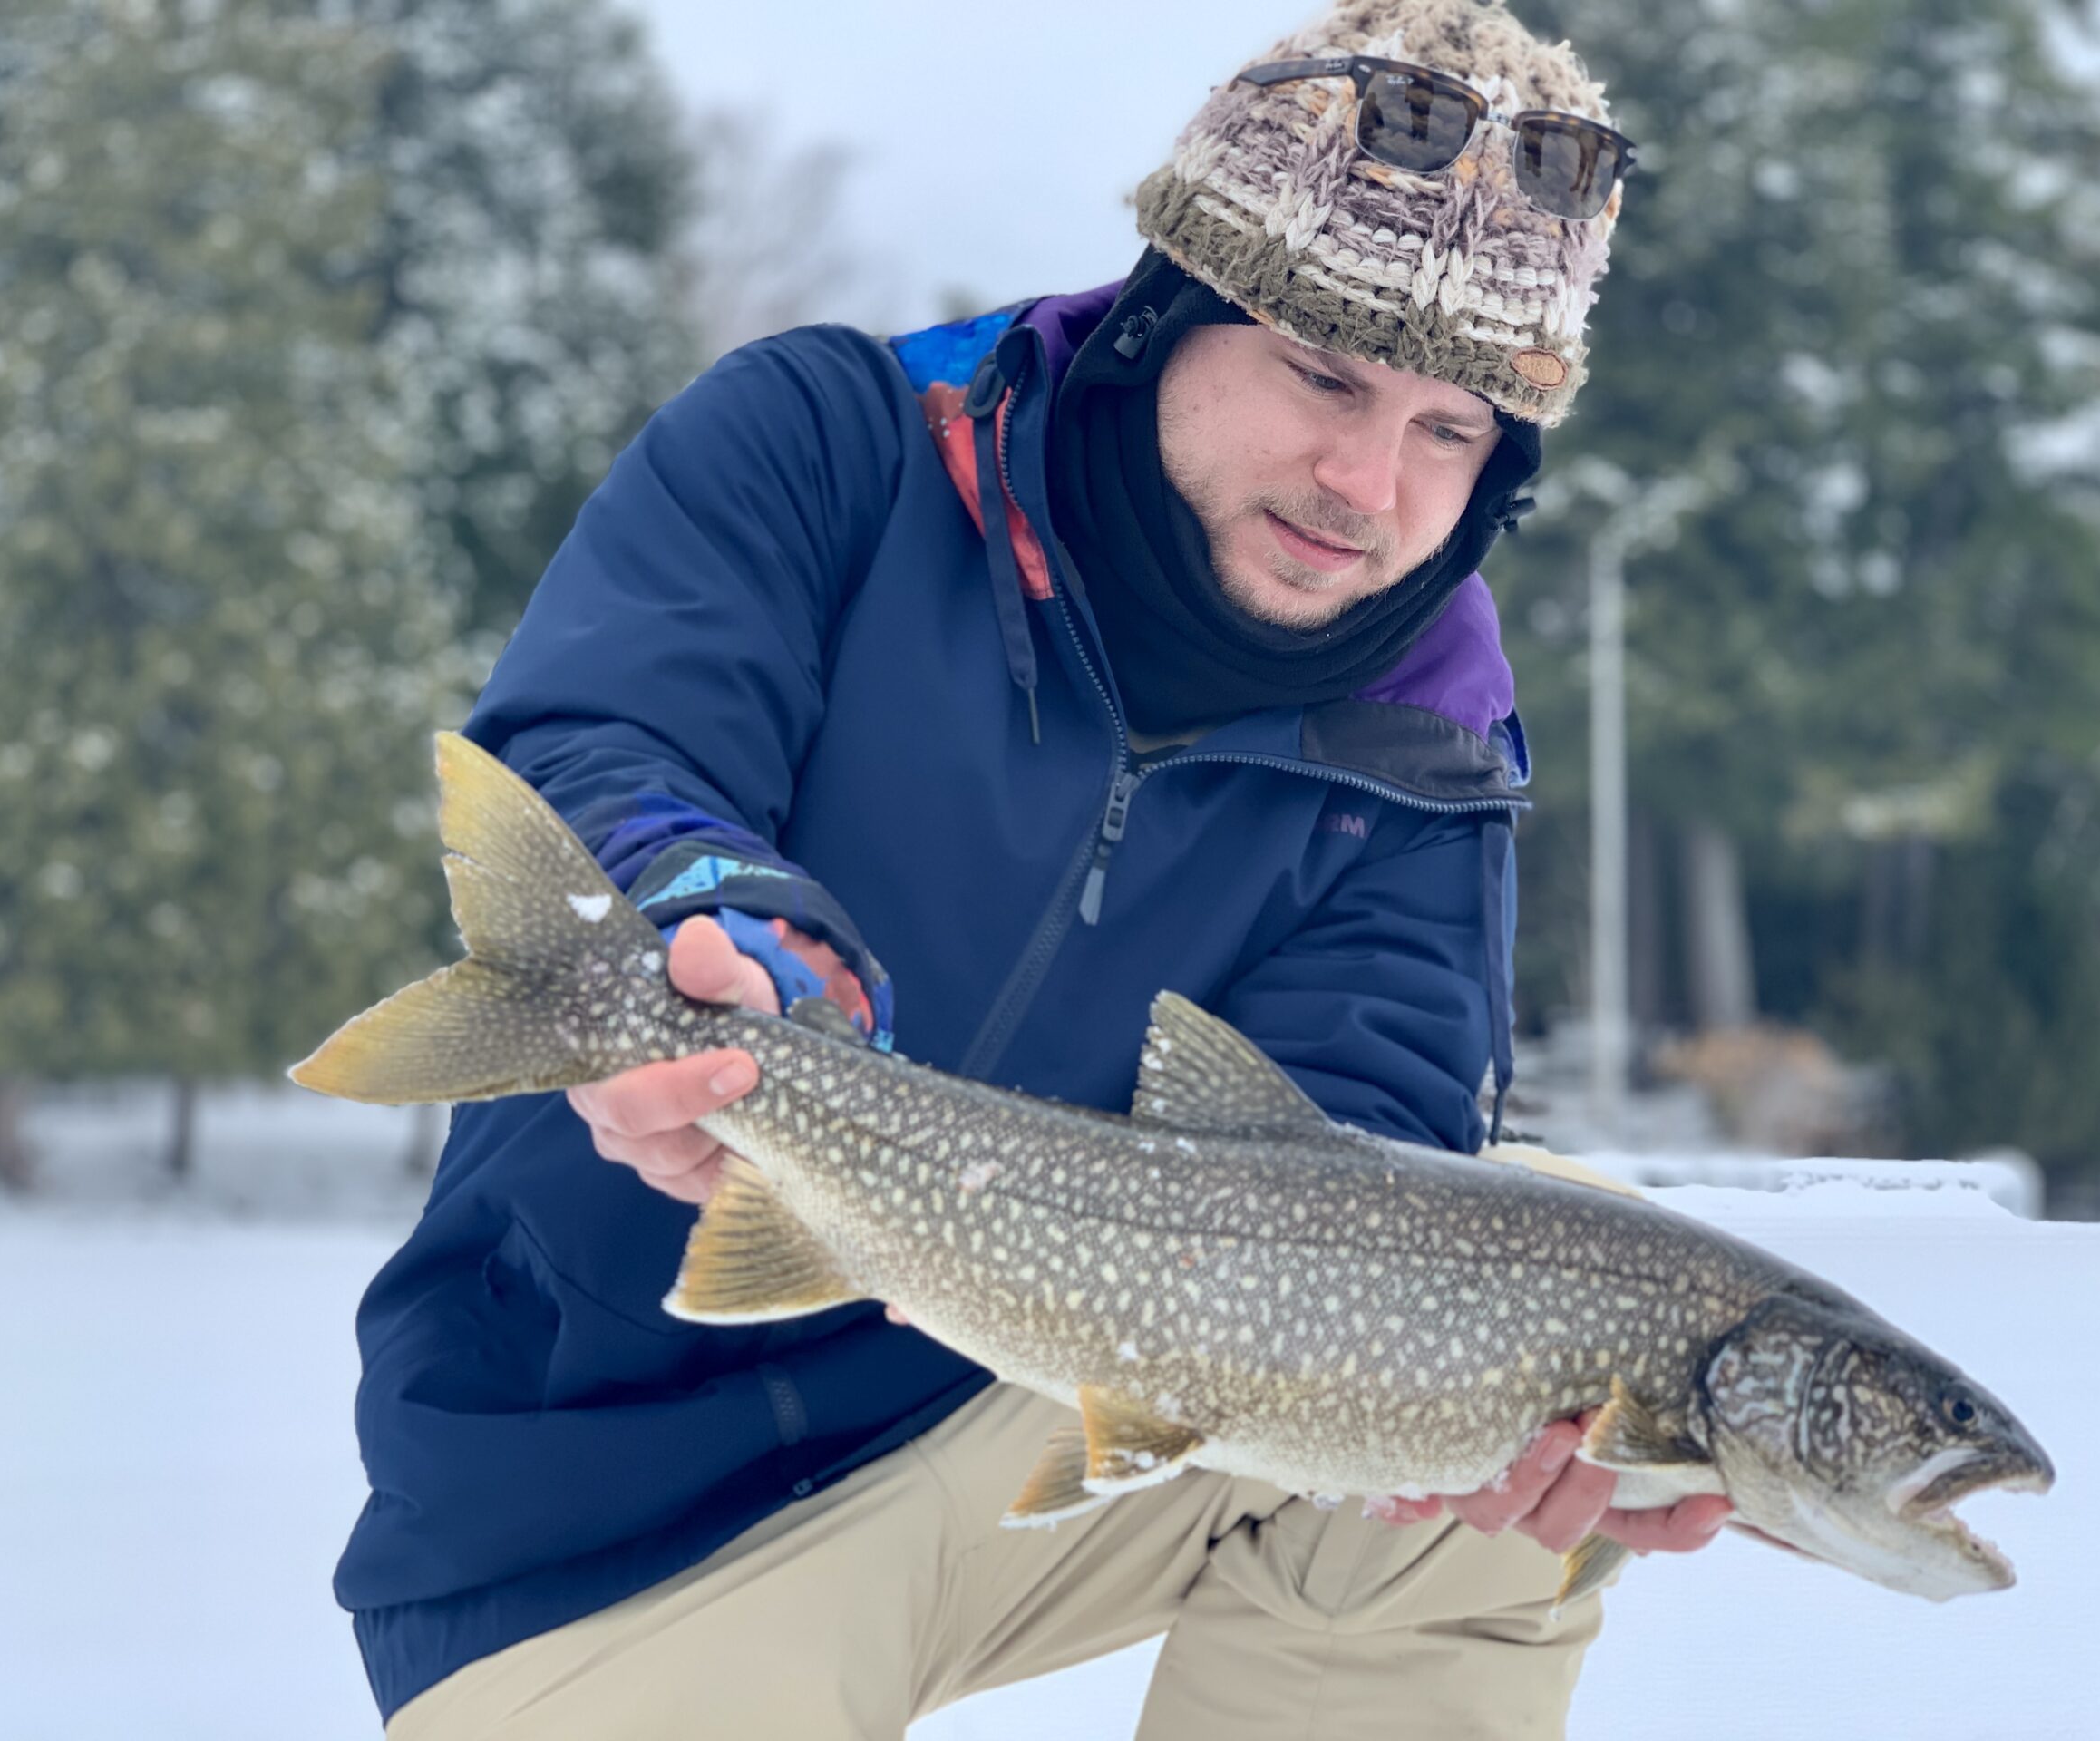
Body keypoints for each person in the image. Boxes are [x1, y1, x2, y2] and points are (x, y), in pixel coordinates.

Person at [343, 3, 1727, 1735]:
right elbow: (619, 751)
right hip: (601, 1510)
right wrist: (715, 936)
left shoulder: (1425, 726)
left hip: (1063, 1400)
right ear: (1169, 313)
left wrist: (1485, 1437)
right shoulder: (833, 447)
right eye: (1326, 374)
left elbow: (1361, 1134)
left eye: (1455, 432)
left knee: (1559, 1306)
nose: (1370, 486)